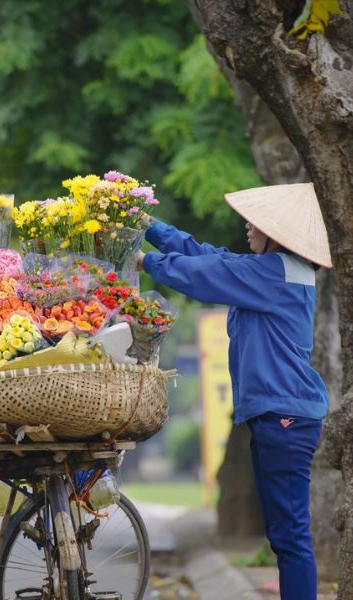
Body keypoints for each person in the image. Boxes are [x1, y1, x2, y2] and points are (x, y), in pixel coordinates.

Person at [135, 183, 332, 600]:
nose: (247, 227)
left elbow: (205, 274)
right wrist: (144, 223)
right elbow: (206, 255)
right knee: (285, 534)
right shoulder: (273, 269)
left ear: (276, 234)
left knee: (291, 535)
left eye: (254, 223)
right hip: (281, 415)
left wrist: (146, 261)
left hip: (286, 417)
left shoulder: (273, 274)